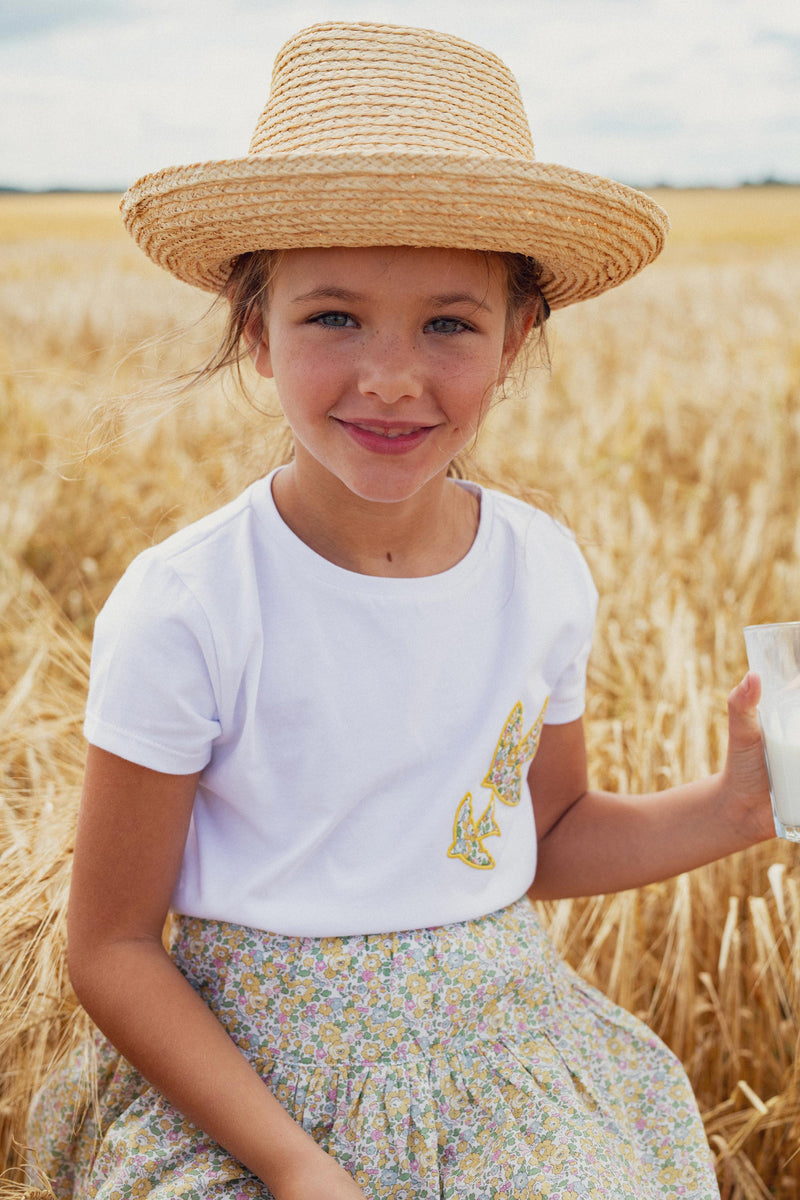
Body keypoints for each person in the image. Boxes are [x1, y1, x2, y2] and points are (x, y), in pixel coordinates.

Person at [27, 20, 774, 1200]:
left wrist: (738, 806)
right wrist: (294, 1168)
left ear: (516, 336)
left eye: (447, 322)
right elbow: (110, 946)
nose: (389, 376)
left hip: (502, 1060)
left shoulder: (540, 572)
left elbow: (544, 837)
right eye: (332, 317)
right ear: (252, 334)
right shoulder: (190, 604)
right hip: (247, 1088)